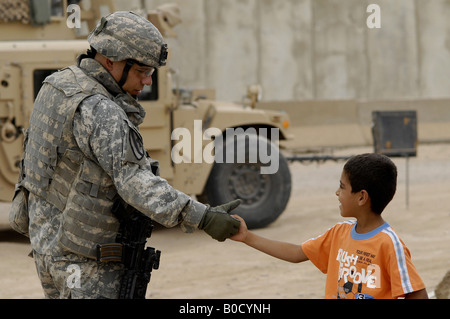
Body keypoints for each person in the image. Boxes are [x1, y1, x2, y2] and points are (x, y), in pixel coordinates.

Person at [9, 11, 240, 299]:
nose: (147, 82)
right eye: (142, 71)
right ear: (112, 61)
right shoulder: (101, 110)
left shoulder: (56, 85)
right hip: (85, 261)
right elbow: (136, 183)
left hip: (48, 248)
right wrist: (202, 217)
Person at [231, 153, 428, 299]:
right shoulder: (339, 233)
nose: (337, 192)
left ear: (361, 197)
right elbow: (297, 253)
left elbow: (417, 293)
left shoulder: (389, 244)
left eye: (342, 187)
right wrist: (247, 237)